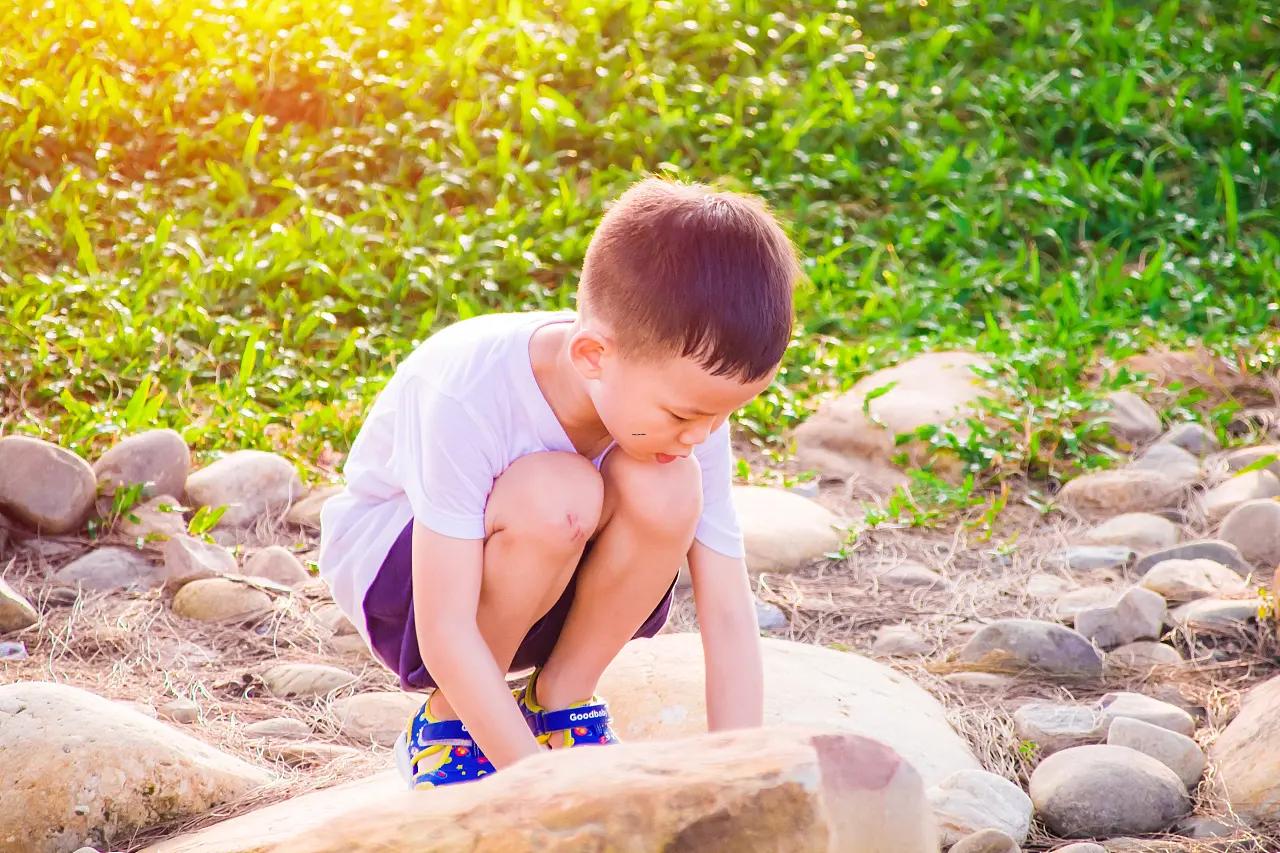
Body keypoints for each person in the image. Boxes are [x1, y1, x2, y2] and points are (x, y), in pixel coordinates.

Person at [318, 175, 801, 789]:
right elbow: (443, 629)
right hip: (411, 594)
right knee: (559, 494)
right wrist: (541, 787)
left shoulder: (686, 399)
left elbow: (727, 611)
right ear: (592, 356)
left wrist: (744, 772)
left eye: (726, 414)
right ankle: (449, 725)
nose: (703, 435)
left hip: (552, 582)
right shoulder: (469, 391)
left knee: (669, 485)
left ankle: (563, 702)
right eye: (685, 416)